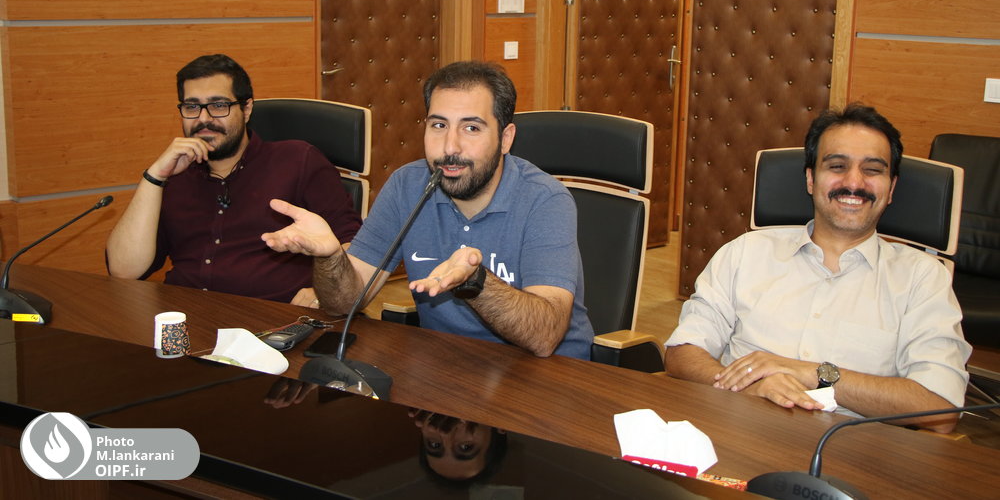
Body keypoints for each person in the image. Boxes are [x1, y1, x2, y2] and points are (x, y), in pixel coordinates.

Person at [664, 103, 971, 433]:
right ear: (811, 179)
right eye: (837, 166)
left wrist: (813, 374)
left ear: (891, 188)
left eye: (872, 170)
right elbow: (682, 352)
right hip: (735, 435)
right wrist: (746, 385)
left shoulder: (922, 278)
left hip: (851, 452)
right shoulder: (745, 253)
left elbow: (940, 408)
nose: (854, 182)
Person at [262, 61, 594, 358]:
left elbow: (544, 337)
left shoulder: (545, 200)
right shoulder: (407, 186)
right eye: (438, 125)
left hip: (547, 379)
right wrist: (330, 257)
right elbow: (343, 304)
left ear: (505, 139)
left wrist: (476, 282)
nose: (450, 147)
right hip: (445, 368)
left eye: (471, 128)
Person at [106, 54, 362, 305]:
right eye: (192, 107)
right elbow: (124, 271)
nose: (204, 119)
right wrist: (154, 177)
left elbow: (354, 244)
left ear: (246, 109)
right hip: (187, 318)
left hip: (272, 320)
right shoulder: (175, 175)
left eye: (218, 105)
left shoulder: (297, 160)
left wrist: (321, 293)